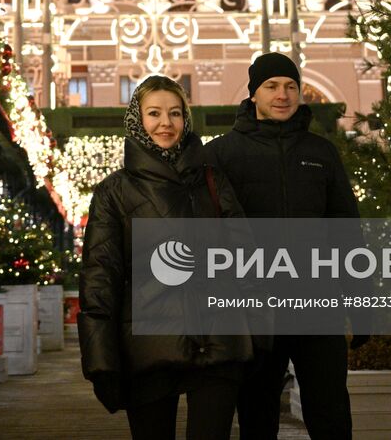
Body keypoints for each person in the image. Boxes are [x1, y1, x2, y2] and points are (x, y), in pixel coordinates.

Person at [79, 75, 253, 440]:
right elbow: (101, 275)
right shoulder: (115, 191)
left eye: (175, 113)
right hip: (148, 348)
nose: (166, 123)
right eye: (154, 113)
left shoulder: (212, 181)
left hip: (217, 340)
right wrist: (100, 358)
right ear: (136, 119)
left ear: (186, 119)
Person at [204, 52, 358, 440]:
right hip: (255, 310)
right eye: (271, 86)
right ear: (253, 93)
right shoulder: (220, 155)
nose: (282, 94)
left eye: (291, 86)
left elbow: (346, 230)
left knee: (331, 415)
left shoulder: (321, 153)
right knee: (257, 417)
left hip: (317, 304)